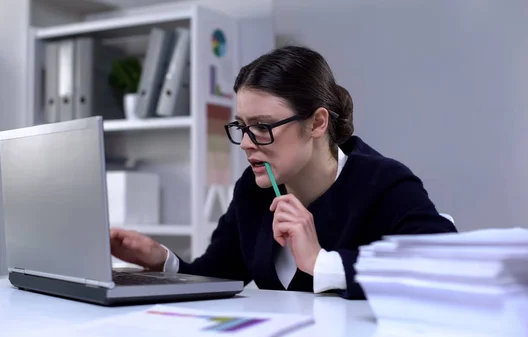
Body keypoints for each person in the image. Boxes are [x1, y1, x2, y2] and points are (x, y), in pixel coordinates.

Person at [110, 45, 457, 300]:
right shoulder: (253, 189)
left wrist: (322, 262)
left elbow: (444, 267)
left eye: (263, 126)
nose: (247, 143)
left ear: (317, 123)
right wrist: (163, 262)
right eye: (242, 126)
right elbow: (218, 273)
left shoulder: (384, 183)